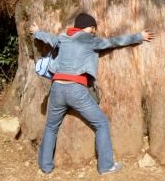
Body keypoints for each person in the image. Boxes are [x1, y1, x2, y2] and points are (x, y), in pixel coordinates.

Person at [29, 13, 154, 175]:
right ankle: (106, 166)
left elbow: (49, 38)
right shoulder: (89, 39)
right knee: (101, 123)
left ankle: (45, 166)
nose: (94, 31)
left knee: (51, 126)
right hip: (76, 90)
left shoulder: (63, 38)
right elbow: (114, 42)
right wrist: (139, 36)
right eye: (93, 28)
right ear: (89, 27)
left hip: (57, 88)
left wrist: (37, 32)